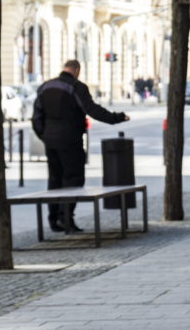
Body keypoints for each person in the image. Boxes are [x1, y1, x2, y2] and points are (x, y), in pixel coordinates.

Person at [32, 59, 130, 233]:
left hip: (50, 141)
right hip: (70, 139)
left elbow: (36, 115)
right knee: (73, 178)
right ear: (76, 70)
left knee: (54, 179)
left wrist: (44, 135)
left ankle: (53, 219)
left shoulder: (45, 87)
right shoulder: (76, 87)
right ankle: (66, 218)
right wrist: (117, 117)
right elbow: (92, 110)